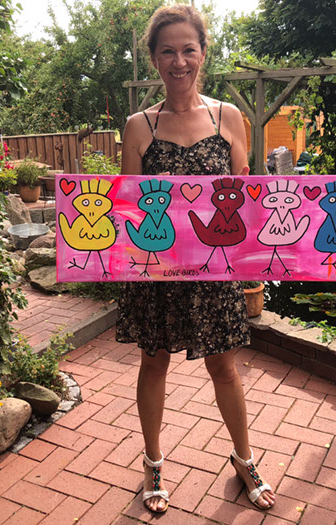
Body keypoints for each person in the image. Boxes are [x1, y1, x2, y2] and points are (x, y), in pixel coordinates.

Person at [117, 4, 276, 514]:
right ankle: (153, 463)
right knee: (154, 362)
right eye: (168, 51)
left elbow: (245, 195)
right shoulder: (138, 126)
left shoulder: (227, 117)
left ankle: (244, 459)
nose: (179, 61)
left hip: (215, 272)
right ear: (154, 59)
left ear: (203, 53)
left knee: (224, 367)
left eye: (188, 49)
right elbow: (127, 206)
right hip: (157, 273)